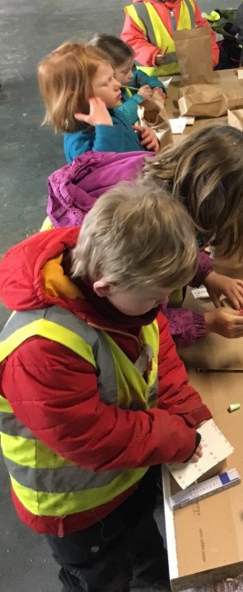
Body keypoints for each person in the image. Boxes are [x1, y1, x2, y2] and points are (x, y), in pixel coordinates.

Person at [0, 184, 212, 590]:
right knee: (102, 579)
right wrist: (171, 434)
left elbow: (157, 348)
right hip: (78, 508)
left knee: (143, 555)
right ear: (105, 286)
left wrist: (186, 408)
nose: (162, 303)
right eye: (156, 296)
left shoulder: (130, 300)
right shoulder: (42, 346)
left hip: (125, 478)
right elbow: (89, 436)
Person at [46, 124, 243, 344]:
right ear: (210, 206)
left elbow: (176, 246)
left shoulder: (163, 187)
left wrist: (207, 275)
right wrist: (206, 323)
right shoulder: (142, 231)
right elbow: (141, 319)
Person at [38, 41, 159, 164]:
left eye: (113, 76)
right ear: (78, 95)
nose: (118, 84)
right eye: (107, 82)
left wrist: (144, 142)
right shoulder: (78, 142)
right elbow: (103, 169)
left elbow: (123, 149)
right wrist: (104, 127)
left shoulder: (110, 113)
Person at [89, 34, 166, 127]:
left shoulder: (125, 81)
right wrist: (139, 99)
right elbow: (118, 120)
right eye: (125, 71)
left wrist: (155, 87)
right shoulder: (101, 101)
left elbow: (140, 76)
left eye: (131, 68)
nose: (131, 74)